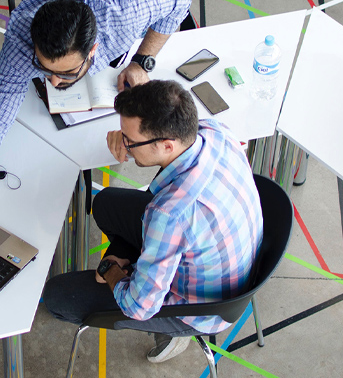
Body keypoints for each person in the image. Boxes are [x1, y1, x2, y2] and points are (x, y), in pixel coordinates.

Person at [0, 0, 193, 240]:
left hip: (104, 4)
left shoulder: (125, 12)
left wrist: (142, 60)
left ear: (93, 51)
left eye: (66, 73)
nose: (53, 82)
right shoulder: (20, 41)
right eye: (44, 69)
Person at [43, 80, 263, 363]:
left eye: (130, 141)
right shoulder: (214, 132)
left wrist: (111, 269)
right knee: (106, 203)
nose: (125, 145)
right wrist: (124, 135)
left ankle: (171, 333)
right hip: (227, 259)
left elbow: (138, 307)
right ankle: (139, 266)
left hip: (199, 308)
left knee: (58, 296)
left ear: (167, 145)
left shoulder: (169, 214)